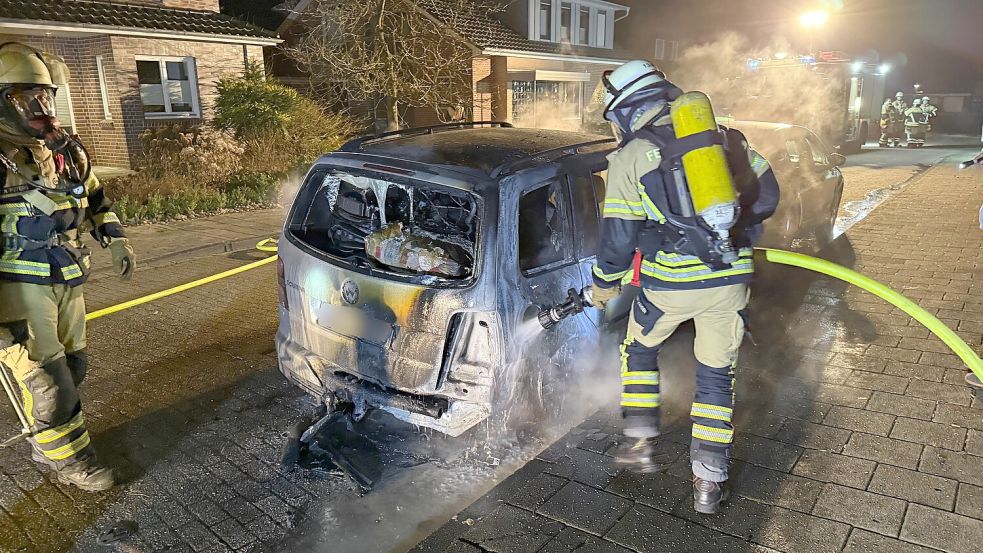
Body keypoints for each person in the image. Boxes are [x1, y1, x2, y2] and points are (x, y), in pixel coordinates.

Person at [591, 60, 780, 514]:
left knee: (639, 349)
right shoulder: (724, 141)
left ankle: (639, 442)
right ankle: (707, 484)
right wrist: (732, 234)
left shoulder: (631, 157)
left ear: (624, 111)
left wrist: (603, 285)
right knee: (717, 376)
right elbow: (768, 196)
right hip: (730, 282)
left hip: (670, 286)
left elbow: (617, 239)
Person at [0, 43, 136, 491]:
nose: (41, 110)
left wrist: (115, 239)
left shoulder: (64, 150)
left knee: (74, 367)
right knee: (50, 382)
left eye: (46, 99)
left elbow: (95, 198)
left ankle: (49, 441)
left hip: (66, 278)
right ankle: (73, 463)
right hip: (16, 289)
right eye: (28, 100)